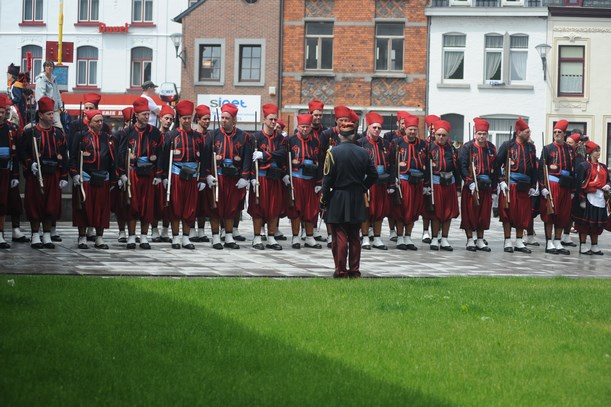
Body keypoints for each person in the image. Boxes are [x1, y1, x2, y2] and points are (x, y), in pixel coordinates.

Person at [320, 121, 378, 278]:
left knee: (339, 236)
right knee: (354, 236)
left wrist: (324, 200)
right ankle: (354, 270)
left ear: (339, 135)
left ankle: (340, 270)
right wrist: (363, 187)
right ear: (354, 136)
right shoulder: (363, 152)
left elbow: (327, 180)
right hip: (357, 196)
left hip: (338, 196)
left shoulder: (333, 153)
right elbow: (373, 175)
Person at [20, 96, 69, 249]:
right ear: (40, 115)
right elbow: (22, 153)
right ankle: (35, 234)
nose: (52, 117)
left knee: (51, 205)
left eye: (52, 113)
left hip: (53, 174)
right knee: (34, 204)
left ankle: (47, 234)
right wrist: (30, 164)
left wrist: (64, 175)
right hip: (36, 174)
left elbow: (64, 155)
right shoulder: (30, 132)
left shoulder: (59, 134)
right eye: (48, 114)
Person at [158, 100, 204, 250]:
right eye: (184, 118)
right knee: (176, 206)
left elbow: (204, 159)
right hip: (176, 174)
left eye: (189, 118)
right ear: (179, 118)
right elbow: (164, 158)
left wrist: (203, 178)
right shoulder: (171, 136)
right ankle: (176, 237)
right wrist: (164, 176)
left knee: (190, 208)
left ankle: (186, 237)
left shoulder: (198, 137)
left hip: (192, 176)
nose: (187, 121)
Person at [205, 103, 252, 249]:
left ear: (234, 120)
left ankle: (229, 235)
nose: (224, 120)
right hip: (218, 177)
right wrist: (207, 175)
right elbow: (206, 157)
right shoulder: (212, 135)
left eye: (227, 118)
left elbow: (247, 158)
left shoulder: (244, 136)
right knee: (215, 207)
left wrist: (245, 177)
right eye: (222, 117)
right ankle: (215, 237)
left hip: (234, 178)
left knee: (231, 208)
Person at [117, 97, 162, 249]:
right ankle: (131, 236)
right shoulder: (127, 132)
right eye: (144, 114)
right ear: (136, 115)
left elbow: (160, 154)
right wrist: (122, 173)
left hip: (149, 174)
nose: (147, 117)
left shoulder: (155, 132)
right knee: (132, 205)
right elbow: (121, 154)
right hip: (133, 174)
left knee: (147, 206)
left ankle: (143, 237)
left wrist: (158, 175)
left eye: (148, 114)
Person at [69, 109, 114, 249]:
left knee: (101, 208)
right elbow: (73, 157)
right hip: (86, 177)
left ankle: (99, 237)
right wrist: (74, 174)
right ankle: (82, 237)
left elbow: (112, 158)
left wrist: (114, 177)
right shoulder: (80, 136)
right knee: (83, 208)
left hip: (103, 177)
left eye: (101, 121)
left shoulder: (107, 137)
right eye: (97, 121)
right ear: (89, 122)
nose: (100, 123)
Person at [495, 117, 538, 253]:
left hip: (525, 186)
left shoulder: (531, 148)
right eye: (526, 132)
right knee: (507, 213)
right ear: (518, 132)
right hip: (510, 185)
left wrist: (533, 185)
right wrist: (501, 181)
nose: (529, 134)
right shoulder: (507, 145)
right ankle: (507, 241)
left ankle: (519, 241)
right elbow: (496, 164)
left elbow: (534, 168)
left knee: (522, 214)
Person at [249, 103, 287, 250]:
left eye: (275, 119)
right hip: (260, 178)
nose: (273, 122)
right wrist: (251, 177)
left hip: (274, 178)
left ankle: (271, 237)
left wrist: (265, 155)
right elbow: (249, 159)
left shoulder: (280, 139)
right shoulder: (255, 137)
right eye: (270, 119)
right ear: (264, 120)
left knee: (274, 207)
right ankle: (257, 237)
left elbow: (282, 153)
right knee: (258, 207)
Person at [389, 113, 428, 250]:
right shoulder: (396, 143)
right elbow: (391, 163)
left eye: (414, 129)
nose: (412, 132)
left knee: (413, 211)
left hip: (418, 182)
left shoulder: (423, 144)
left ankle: (408, 237)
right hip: (403, 182)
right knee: (401, 210)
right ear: (405, 129)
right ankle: (400, 236)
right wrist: (393, 181)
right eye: (410, 129)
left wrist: (426, 184)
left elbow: (427, 164)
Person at [459, 117, 496, 252]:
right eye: (479, 133)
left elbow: (495, 167)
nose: (481, 136)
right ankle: (470, 239)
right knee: (469, 213)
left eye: (484, 134)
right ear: (475, 134)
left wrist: (494, 187)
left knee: (483, 214)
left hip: (486, 186)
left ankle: (480, 239)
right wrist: (469, 182)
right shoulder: (467, 148)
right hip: (471, 186)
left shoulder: (491, 148)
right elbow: (462, 166)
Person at [286, 114, 322, 249]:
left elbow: (320, 162)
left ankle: (309, 237)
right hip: (296, 179)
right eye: (302, 127)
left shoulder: (316, 142)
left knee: (311, 209)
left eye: (307, 127)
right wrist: (286, 175)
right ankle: (295, 237)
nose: (305, 129)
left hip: (311, 180)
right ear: (298, 127)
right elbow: (285, 160)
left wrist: (319, 182)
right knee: (296, 208)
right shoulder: (290, 141)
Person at [539, 119, 575, 255]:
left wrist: (573, 189)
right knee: (550, 213)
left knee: (563, 214)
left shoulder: (570, 149)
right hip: (552, 184)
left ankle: (558, 241)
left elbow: (573, 170)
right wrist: (542, 187)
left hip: (566, 186)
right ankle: (549, 242)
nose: (557, 134)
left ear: (564, 134)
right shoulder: (547, 149)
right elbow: (541, 169)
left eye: (559, 132)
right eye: (555, 132)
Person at [358, 111, 392, 250]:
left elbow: (391, 165)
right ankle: (365, 237)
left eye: (379, 128)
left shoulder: (386, 144)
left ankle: (377, 238)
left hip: (381, 183)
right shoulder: (360, 143)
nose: (377, 130)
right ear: (368, 127)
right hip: (367, 184)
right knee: (366, 211)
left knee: (380, 211)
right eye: (374, 127)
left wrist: (391, 183)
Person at [427, 119, 460, 251]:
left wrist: (458, 187)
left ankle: (444, 238)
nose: (441, 137)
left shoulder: (452, 149)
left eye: (444, 135)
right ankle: (434, 238)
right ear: (434, 134)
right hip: (435, 183)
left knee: (448, 212)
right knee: (436, 212)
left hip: (449, 183)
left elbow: (457, 168)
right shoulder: (429, 147)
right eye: (438, 134)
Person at [572, 141, 609, 255]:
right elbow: (579, 183)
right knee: (584, 224)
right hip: (588, 197)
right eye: (596, 151)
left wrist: (608, 185)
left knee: (597, 223)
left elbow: (608, 180)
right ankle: (583, 245)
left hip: (600, 197)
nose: (598, 153)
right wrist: (582, 199)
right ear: (590, 152)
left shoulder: (603, 166)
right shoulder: (583, 166)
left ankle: (594, 245)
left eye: (599, 151)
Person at [150, 104, 175, 243]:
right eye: (166, 118)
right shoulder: (154, 135)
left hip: (170, 174)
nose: (168, 121)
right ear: (160, 119)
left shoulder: (173, 136)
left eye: (171, 119)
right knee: (154, 203)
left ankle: (165, 230)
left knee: (168, 203)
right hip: (155, 174)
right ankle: (154, 229)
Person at [0, 96, 20, 248]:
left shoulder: (11, 129)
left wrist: (15, 175)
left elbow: (15, 154)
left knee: (3, 203)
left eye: (3, 112)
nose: (1, 114)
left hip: (5, 169)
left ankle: (0, 233)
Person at [190, 104, 212, 243]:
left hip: (207, 174)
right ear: (198, 120)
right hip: (194, 173)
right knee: (193, 203)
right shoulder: (193, 135)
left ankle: (202, 230)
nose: (207, 121)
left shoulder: (211, 136)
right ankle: (191, 229)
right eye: (204, 119)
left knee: (204, 204)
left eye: (208, 119)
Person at [111, 107, 133, 243]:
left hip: (133, 173)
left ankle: (132, 232)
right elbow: (116, 155)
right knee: (121, 205)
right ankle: (121, 230)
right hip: (121, 173)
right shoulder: (119, 135)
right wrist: (119, 174)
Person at [34, 60, 63, 129]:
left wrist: (61, 105)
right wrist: (46, 107)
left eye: (51, 66)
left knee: (59, 129)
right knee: (47, 128)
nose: (49, 68)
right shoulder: (41, 79)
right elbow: (40, 96)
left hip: (54, 109)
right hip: (45, 110)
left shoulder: (53, 79)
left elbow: (57, 93)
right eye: (47, 66)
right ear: (44, 67)